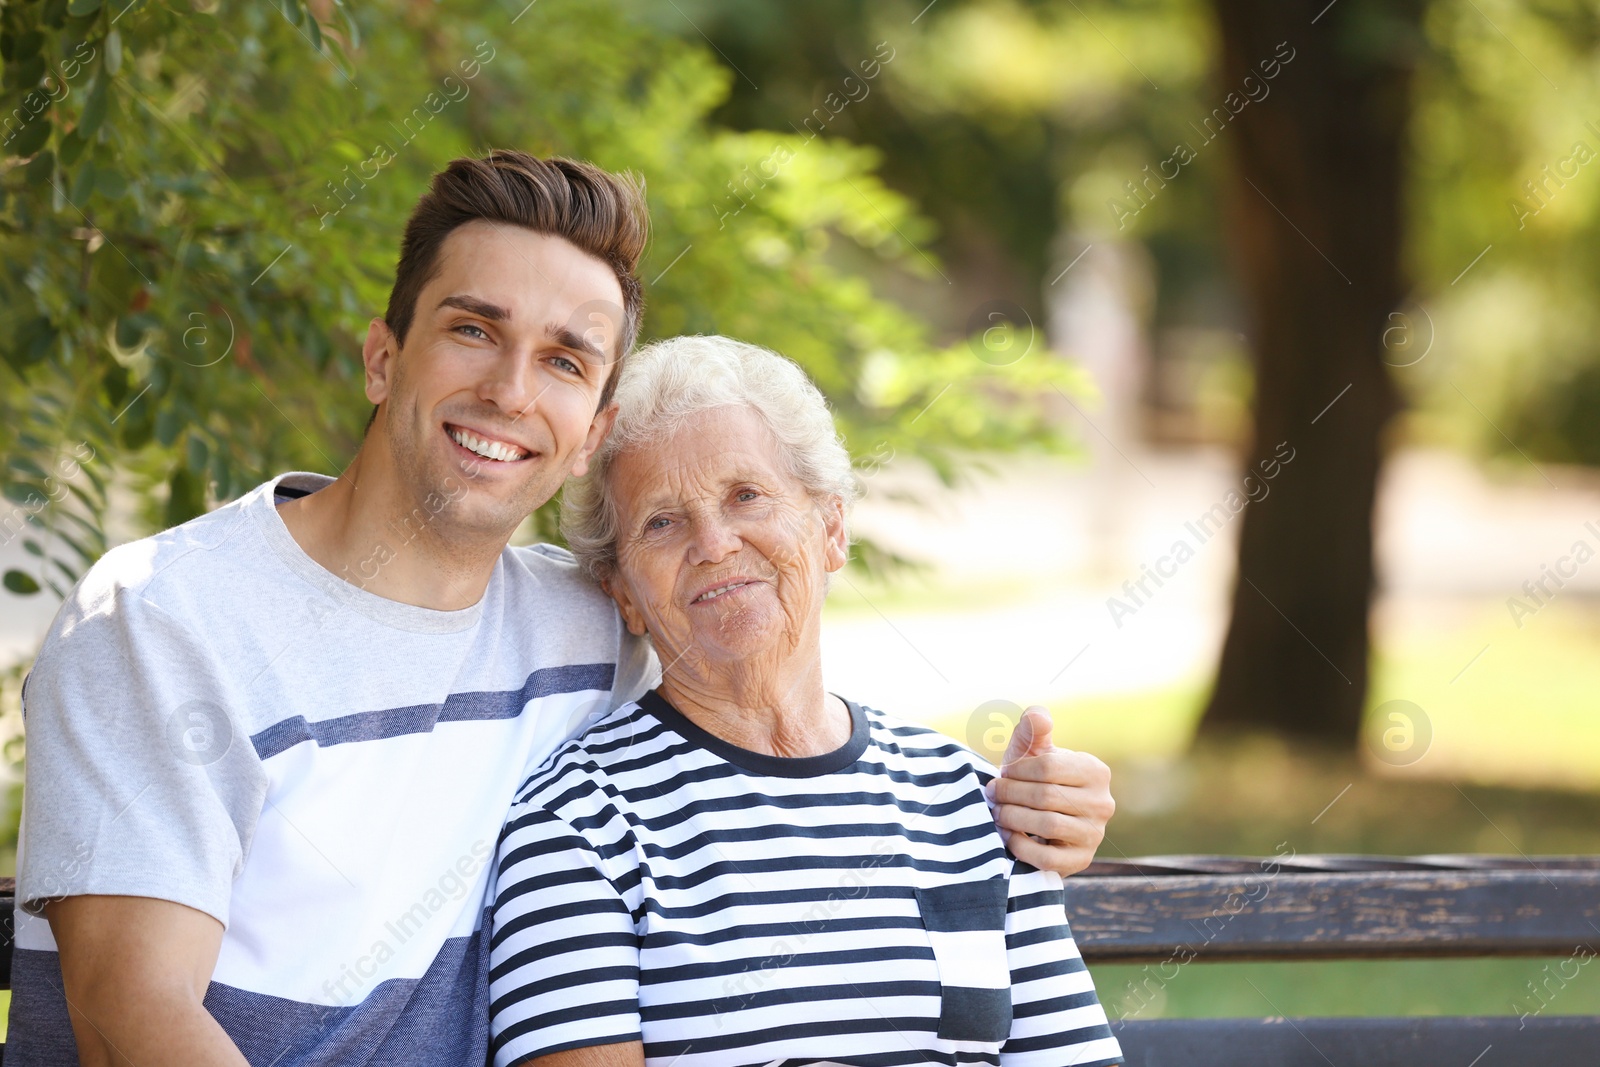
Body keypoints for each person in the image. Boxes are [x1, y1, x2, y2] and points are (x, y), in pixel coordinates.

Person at [9, 153, 1115, 1067]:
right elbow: (131, 1021)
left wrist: (1027, 799)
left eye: (565, 359)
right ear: (383, 357)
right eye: (472, 329)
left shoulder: (579, 622)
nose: (509, 390)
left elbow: (767, 695)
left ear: (589, 427)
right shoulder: (162, 621)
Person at [487, 335, 1123, 1067]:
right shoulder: (577, 827)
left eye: (746, 495)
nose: (716, 543)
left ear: (831, 528)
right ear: (623, 593)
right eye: (662, 521)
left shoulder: (967, 801)